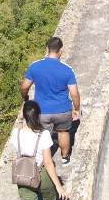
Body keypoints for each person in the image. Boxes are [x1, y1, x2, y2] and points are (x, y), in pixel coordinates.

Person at [21, 36, 80, 165]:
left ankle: (44, 161)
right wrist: (76, 109)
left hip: (42, 111)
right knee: (63, 132)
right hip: (63, 110)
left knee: (43, 135)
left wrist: (25, 98)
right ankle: (65, 157)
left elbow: (25, 87)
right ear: (61, 51)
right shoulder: (67, 69)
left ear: (47, 49)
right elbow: (74, 94)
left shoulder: (35, 67)